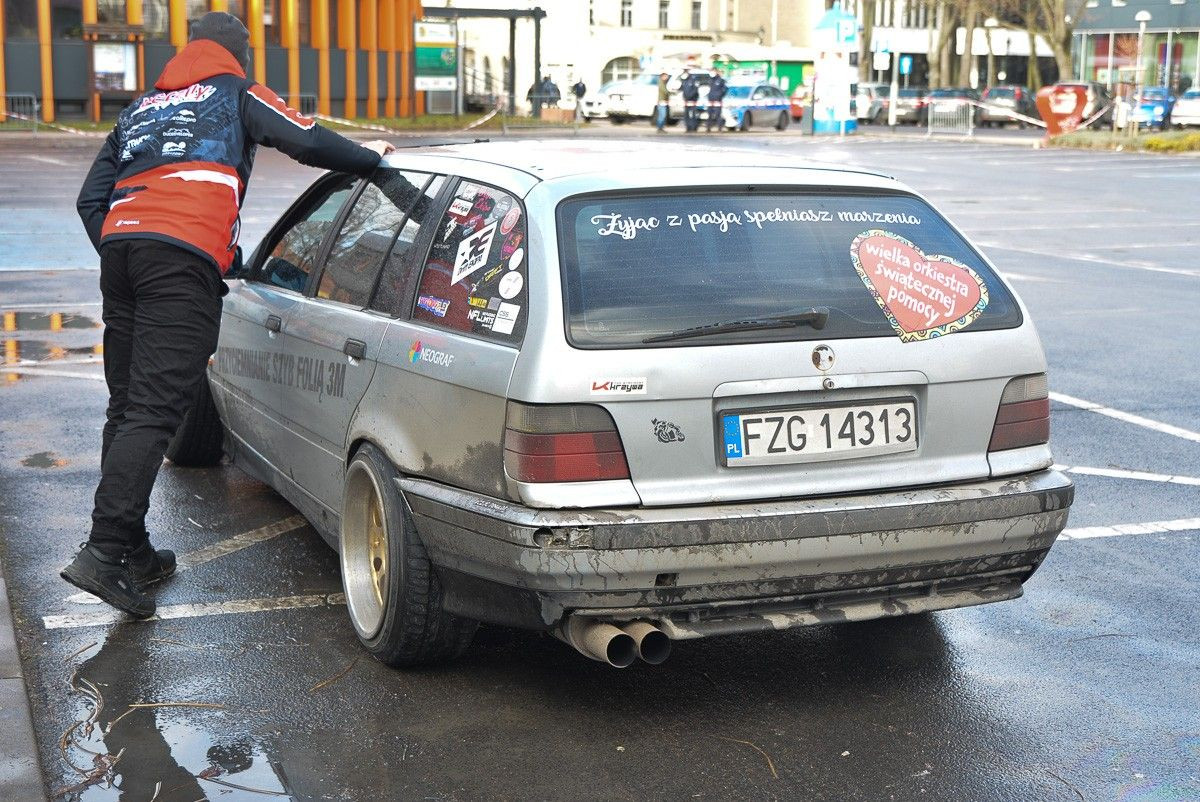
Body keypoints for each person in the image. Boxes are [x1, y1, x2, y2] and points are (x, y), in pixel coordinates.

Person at [66, 11, 394, 618]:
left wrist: (126, 237)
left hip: (122, 257)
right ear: (239, 54)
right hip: (181, 261)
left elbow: (91, 199)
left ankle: (133, 548)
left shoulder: (141, 108)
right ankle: (105, 551)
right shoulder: (236, 93)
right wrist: (368, 159)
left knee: (127, 406)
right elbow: (304, 138)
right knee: (156, 408)